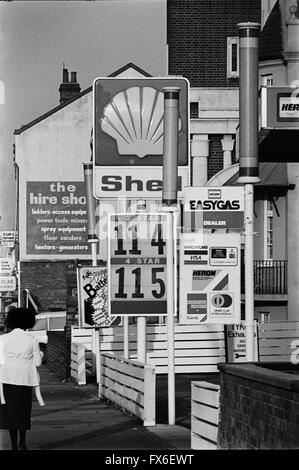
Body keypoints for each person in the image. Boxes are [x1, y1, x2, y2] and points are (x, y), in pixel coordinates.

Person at [0, 308, 44, 450]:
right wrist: (41, 355)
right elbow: (37, 363)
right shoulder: (32, 340)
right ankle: (23, 441)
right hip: (26, 379)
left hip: (7, 379)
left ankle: (13, 444)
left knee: (10, 413)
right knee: (23, 411)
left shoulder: (3, 339)